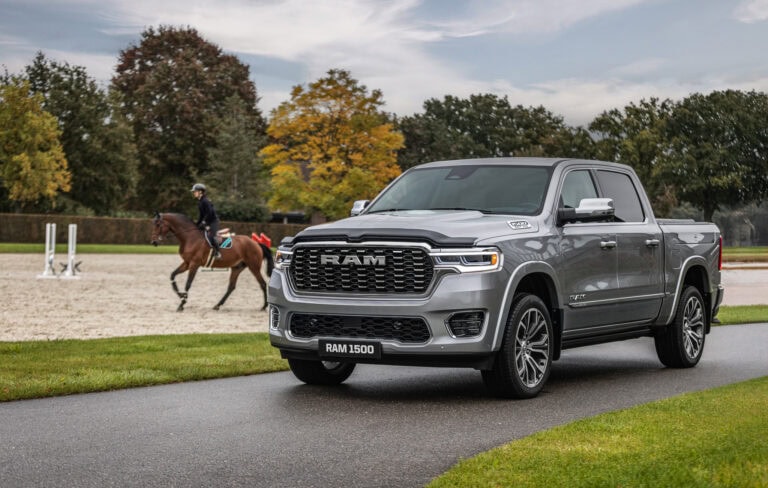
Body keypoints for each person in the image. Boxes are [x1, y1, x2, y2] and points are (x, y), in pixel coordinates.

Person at [191, 183, 222, 259]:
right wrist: (197, 223)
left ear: (200, 192)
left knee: (212, 236)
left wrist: (204, 222)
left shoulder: (205, 201)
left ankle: (218, 253)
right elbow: (201, 215)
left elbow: (210, 213)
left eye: (195, 191)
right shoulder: (200, 202)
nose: (194, 193)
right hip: (207, 222)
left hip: (213, 221)